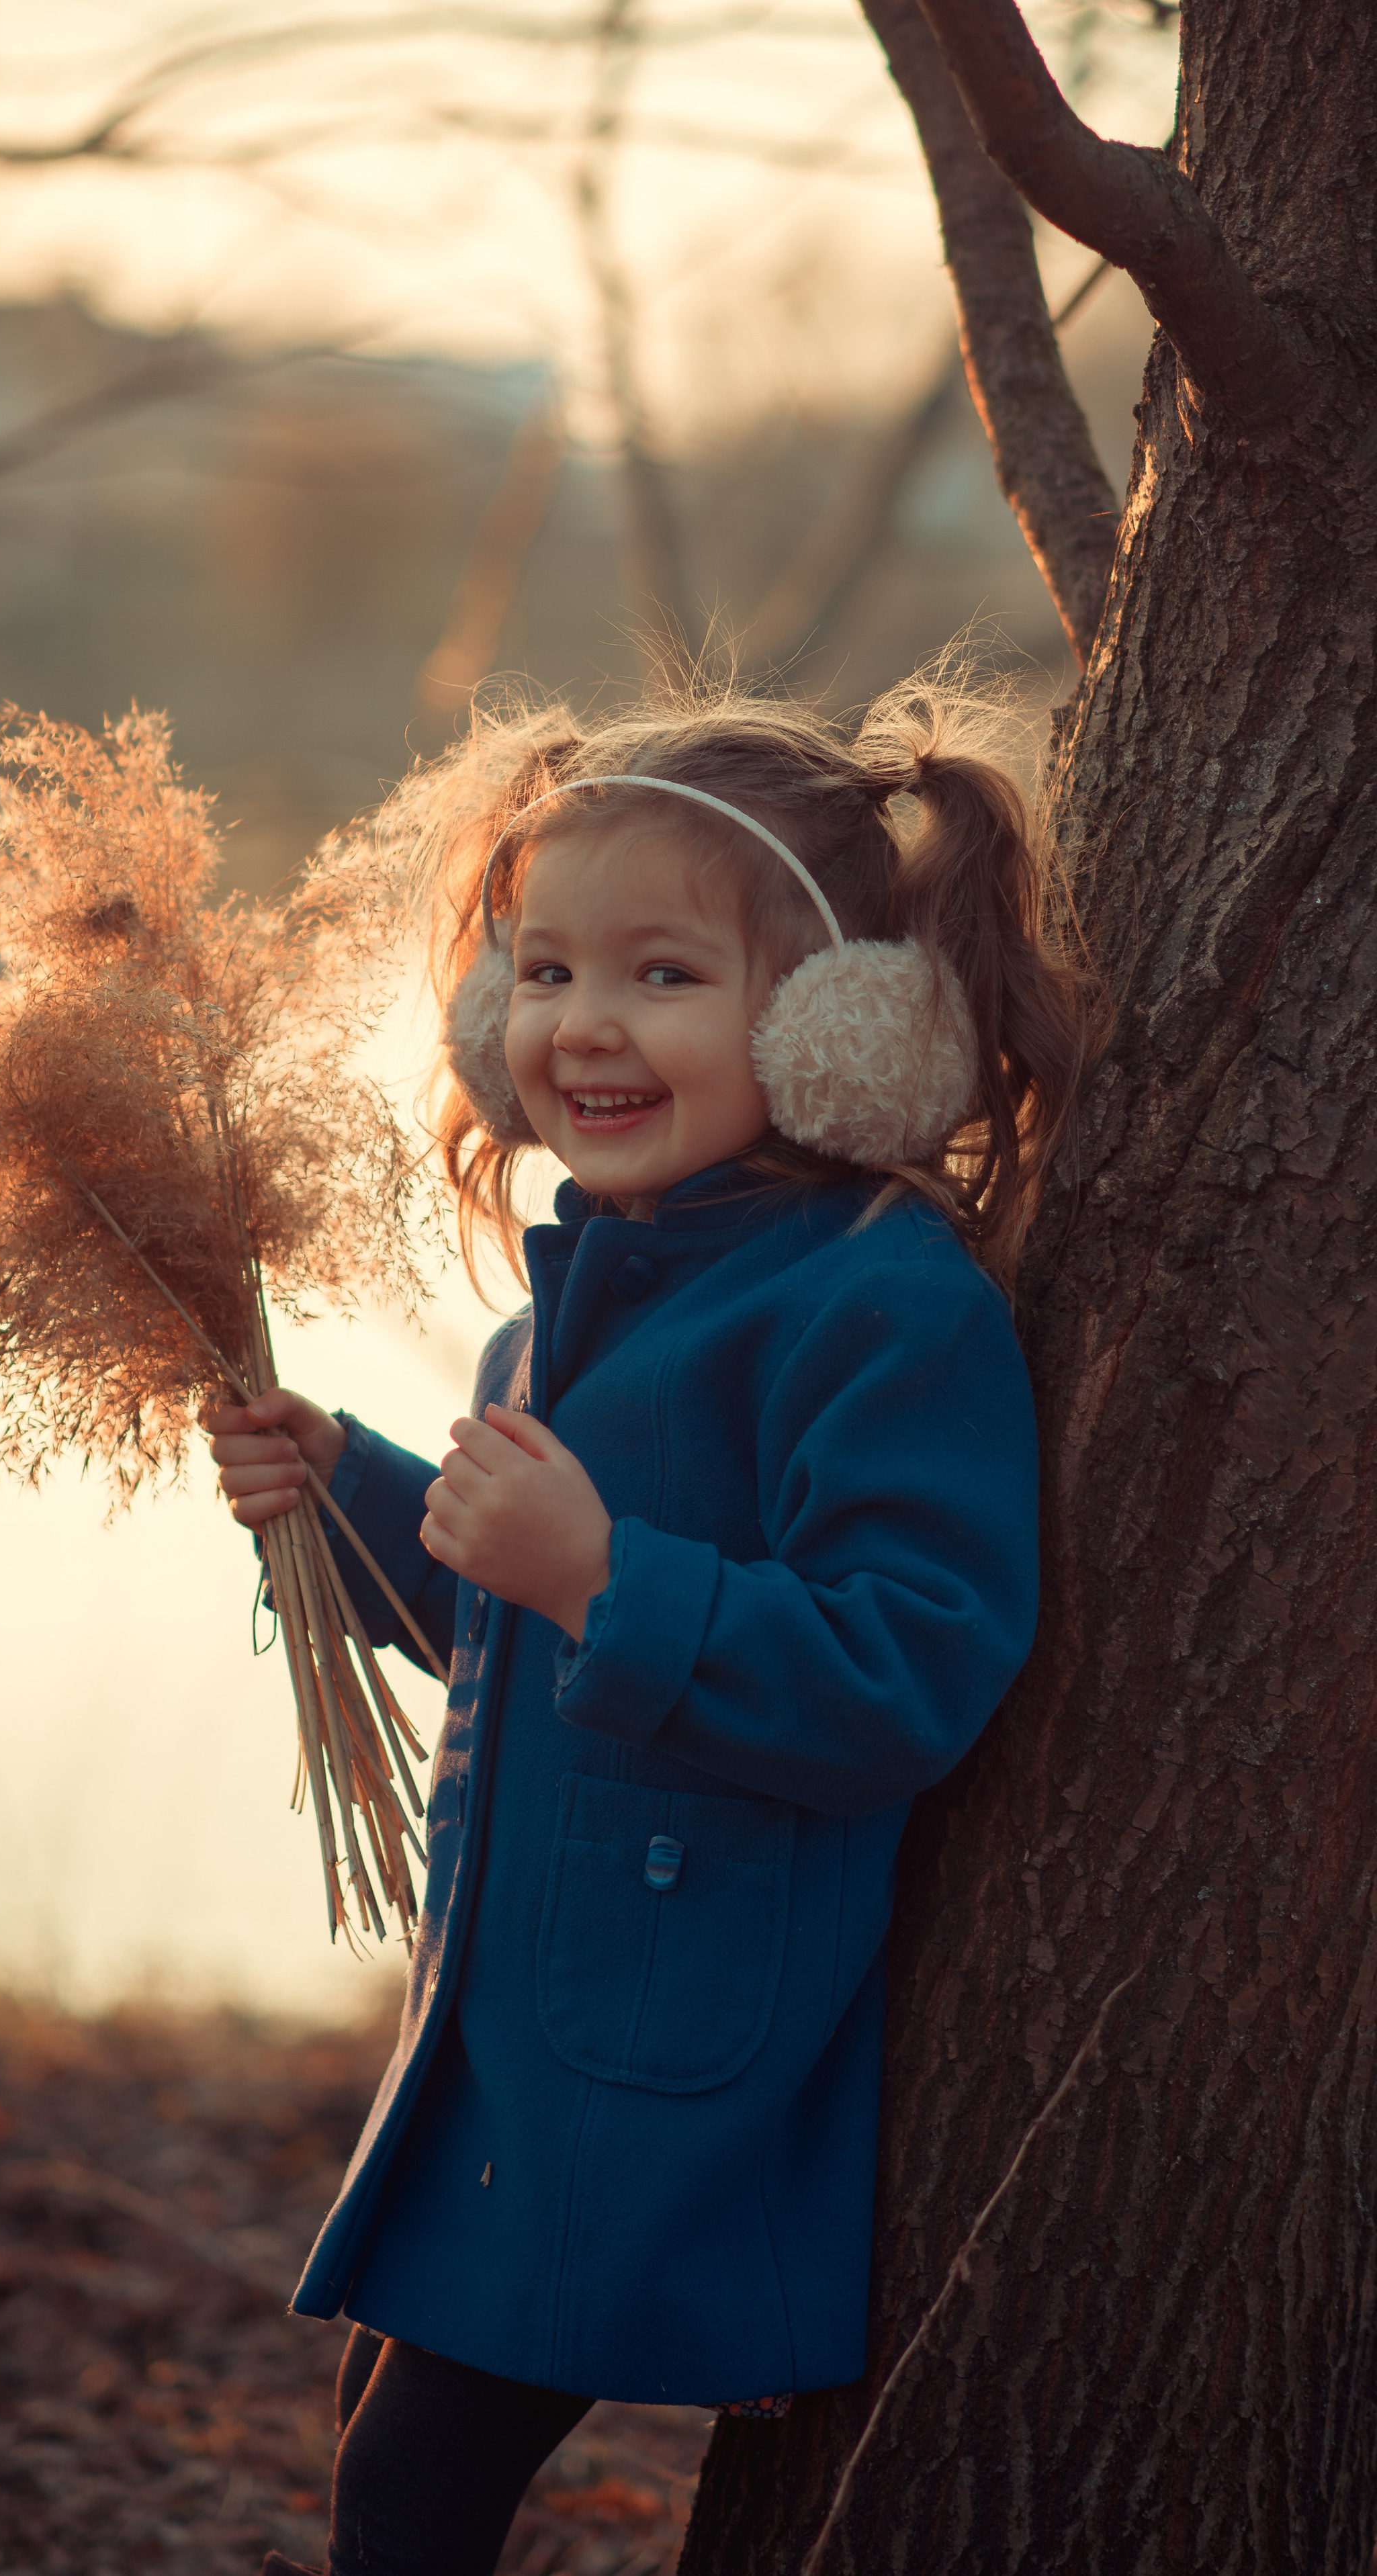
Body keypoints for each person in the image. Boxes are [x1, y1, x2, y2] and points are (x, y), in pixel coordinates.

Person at [204, 671, 1096, 2576]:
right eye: (541, 972)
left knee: (408, 2488)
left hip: (670, 2044)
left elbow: (911, 1666)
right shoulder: (567, 1309)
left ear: (845, 1023)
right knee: (384, 2446)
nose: (579, 1025)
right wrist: (350, 1490)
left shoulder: (880, 1303)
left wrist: (602, 1576)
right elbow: (513, 1638)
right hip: (517, 2027)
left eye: (662, 976)